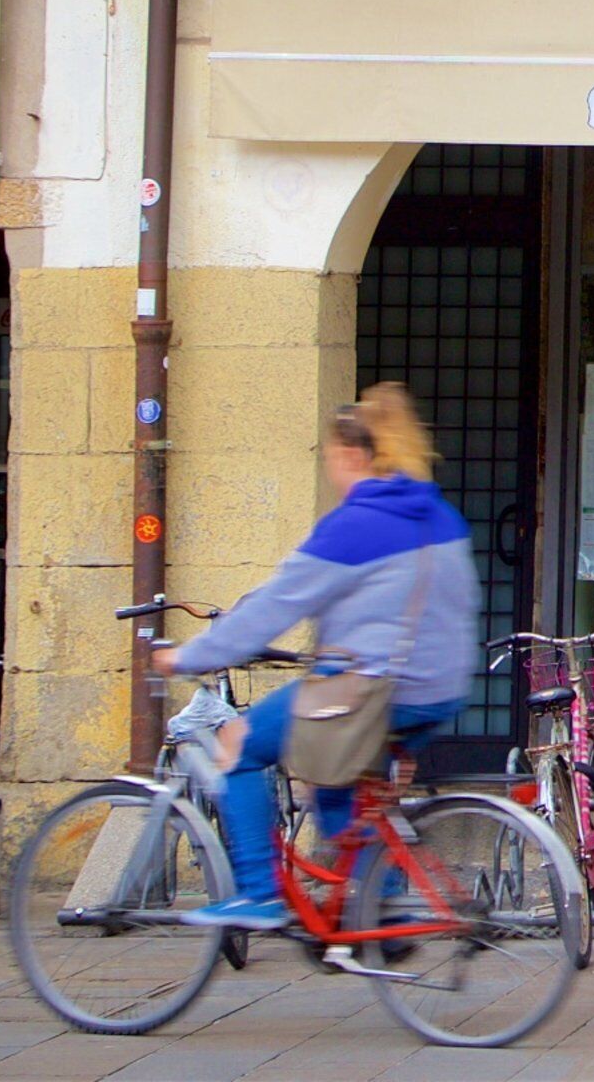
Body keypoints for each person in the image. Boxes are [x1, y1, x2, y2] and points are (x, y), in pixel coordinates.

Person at [156, 382, 480, 931]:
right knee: (338, 789)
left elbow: (275, 606)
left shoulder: (355, 525)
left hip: (374, 690)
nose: (331, 472)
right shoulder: (439, 516)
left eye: (330, 459)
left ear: (352, 455)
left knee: (238, 744)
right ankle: (380, 915)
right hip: (439, 690)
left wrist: (190, 656)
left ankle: (259, 893)